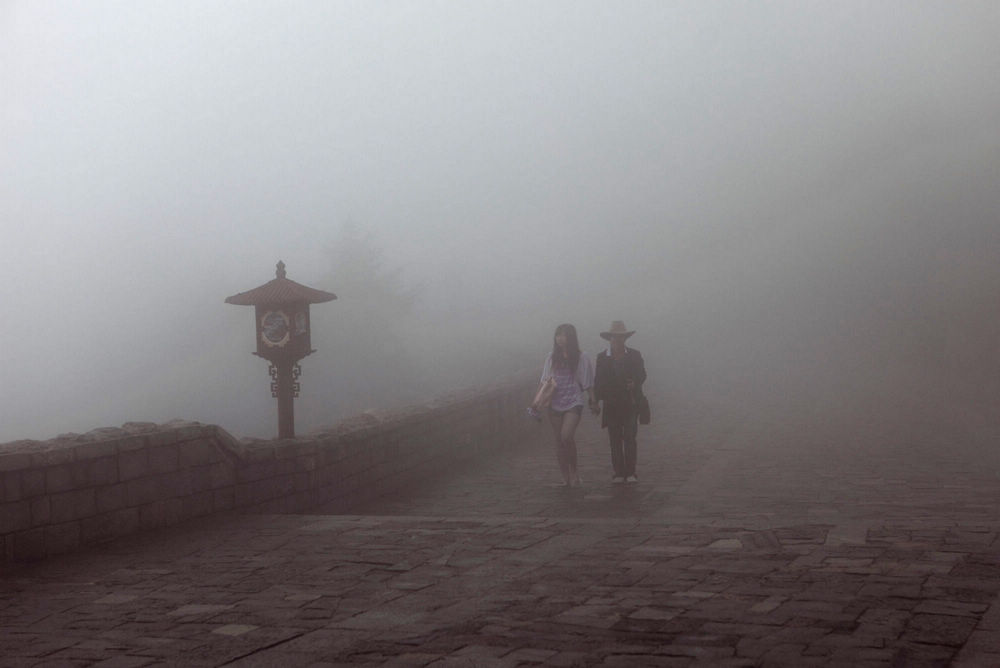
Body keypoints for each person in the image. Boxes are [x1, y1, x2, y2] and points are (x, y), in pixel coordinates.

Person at [535, 323, 597, 487]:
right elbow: (544, 381)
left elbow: (588, 381)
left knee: (566, 436)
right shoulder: (551, 357)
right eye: (558, 335)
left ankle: (575, 471)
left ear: (571, 337)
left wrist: (593, 400)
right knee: (558, 440)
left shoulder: (581, 357)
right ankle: (565, 476)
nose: (560, 338)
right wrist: (536, 403)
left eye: (564, 335)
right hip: (554, 402)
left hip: (573, 401)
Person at [592, 321, 646, 484]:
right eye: (614, 337)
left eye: (620, 337)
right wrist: (595, 401)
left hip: (630, 402)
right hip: (611, 403)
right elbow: (598, 381)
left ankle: (630, 472)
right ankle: (618, 472)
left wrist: (634, 383)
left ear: (625, 338)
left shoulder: (635, 355)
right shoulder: (602, 357)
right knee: (614, 439)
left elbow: (642, 375)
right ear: (610, 338)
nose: (617, 340)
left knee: (630, 437)